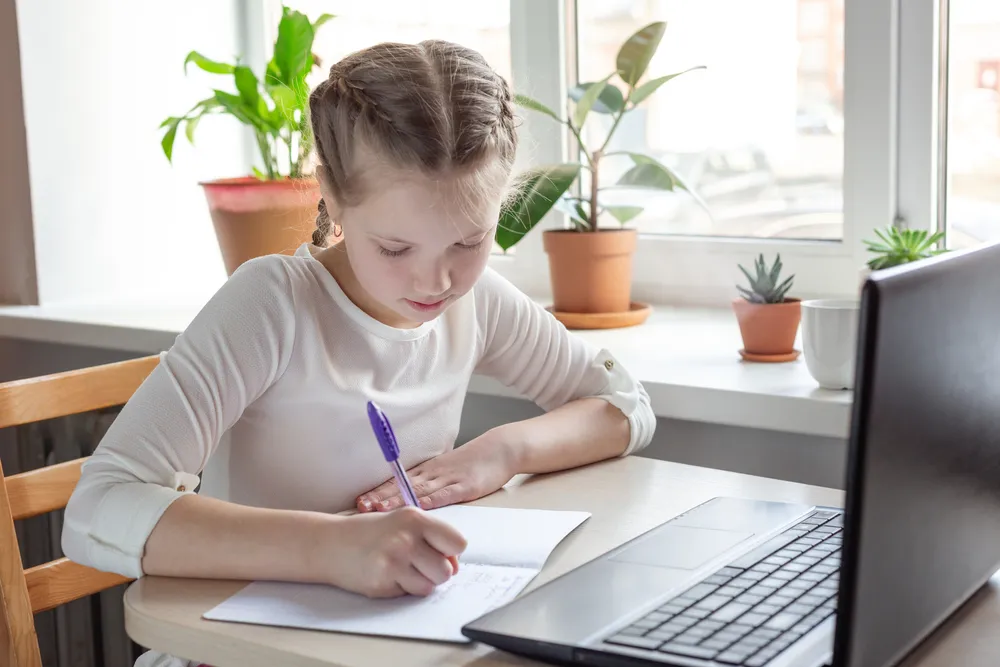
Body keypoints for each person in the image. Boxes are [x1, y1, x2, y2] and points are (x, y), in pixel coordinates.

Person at [62, 39, 656, 667]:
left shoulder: (476, 300)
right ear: (333, 197)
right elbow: (99, 506)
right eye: (396, 249)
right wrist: (330, 549)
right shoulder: (272, 305)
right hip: (241, 651)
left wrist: (499, 453)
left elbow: (624, 406)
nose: (437, 283)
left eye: (469, 241)